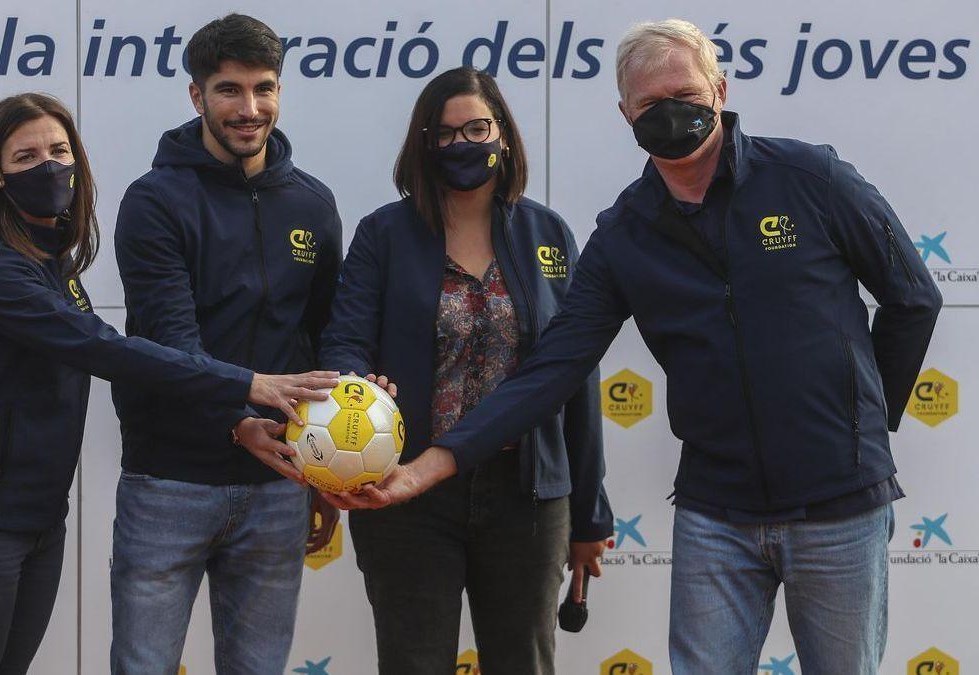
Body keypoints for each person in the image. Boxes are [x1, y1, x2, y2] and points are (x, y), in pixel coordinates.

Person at [343, 19, 943, 675]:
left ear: (719, 87)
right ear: (624, 111)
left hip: (840, 504)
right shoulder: (625, 233)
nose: (670, 113)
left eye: (684, 92)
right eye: (650, 104)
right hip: (716, 512)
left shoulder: (811, 177)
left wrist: (863, 425)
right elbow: (552, 371)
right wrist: (427, 467)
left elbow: (914, 297)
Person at [0, 92, 336, 675]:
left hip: (33, 524)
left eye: (59, 151)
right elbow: (109, 351)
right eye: (25, 157)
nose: (48, 167)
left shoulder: (52, 264)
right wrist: (248, 384)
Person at [317, 67, 610, 675]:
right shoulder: (384, 234)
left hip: (527, 497)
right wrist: (357, 387)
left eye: (477, 128)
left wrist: (591, 515)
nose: (463, 145)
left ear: (502, 133)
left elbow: (575, 376)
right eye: (446, 134)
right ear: (425, 144)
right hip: (406, 492)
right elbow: (344, 339)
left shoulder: (547, 233)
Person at [109, 14, 343, 675]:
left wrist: (330, 472)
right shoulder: (154, 201)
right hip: (169, 482)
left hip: (278, 484)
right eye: (229, 90)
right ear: (196, 96)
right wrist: (238, 421)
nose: (249, 109)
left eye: (264, 88)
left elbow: (326, 337)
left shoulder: (313, 204)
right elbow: (168, 338)